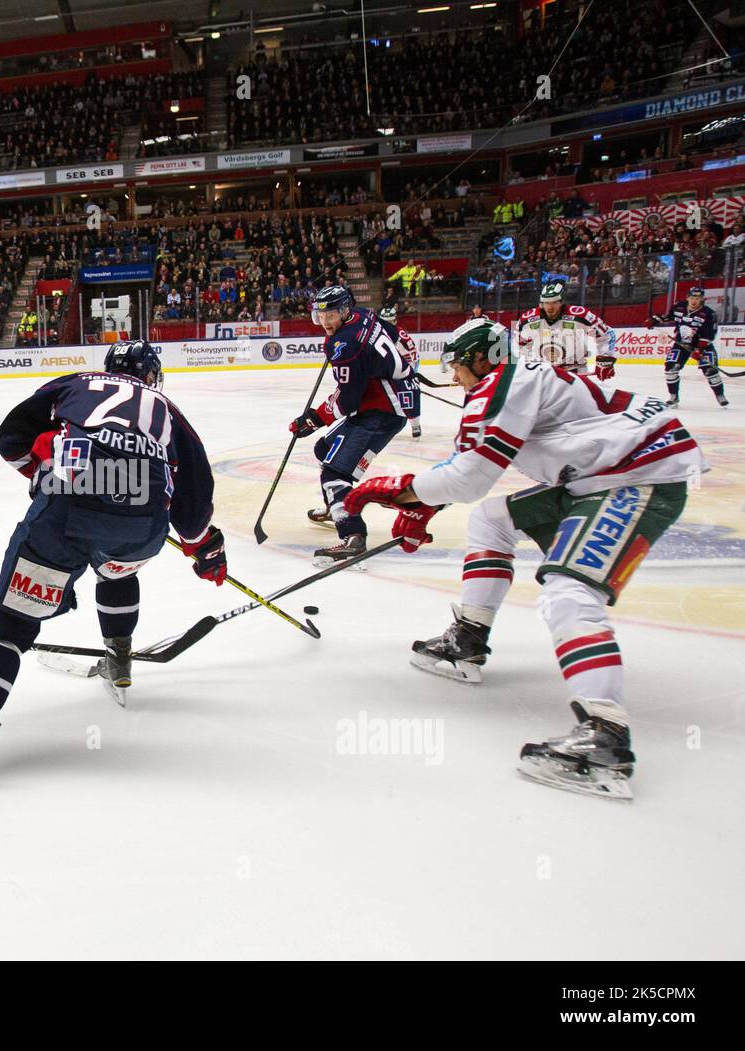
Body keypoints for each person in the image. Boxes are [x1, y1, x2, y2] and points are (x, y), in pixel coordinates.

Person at [345, 319, 706, 800]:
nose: (453, 378)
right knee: (492, 519)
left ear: (481, 358)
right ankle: (468, 638)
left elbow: (468, 478)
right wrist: (423, 503)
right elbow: (470, 474)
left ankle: (604, 738)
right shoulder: (510, 381)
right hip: (601, 475)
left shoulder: (504, 383)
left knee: (570, 591)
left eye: (457, 367)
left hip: (638, 478)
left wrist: (399, 489)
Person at [0, 340, 225, 795]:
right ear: (151, 377)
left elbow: (11, 438)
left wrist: (43, 473)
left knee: (10, 626)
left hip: (62, 514)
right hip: (139, 529)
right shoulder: (169, 410)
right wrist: (204, 549)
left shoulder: (76, 383)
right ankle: (118, 660)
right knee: (118, 573)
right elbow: (194, 499)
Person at [289, 286, 417, 561]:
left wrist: (314, 418)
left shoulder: (344, 343)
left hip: (380, 412)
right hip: (388, 403)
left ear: (345, 311)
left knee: (335, 474)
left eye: (331, 315)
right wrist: (401, 372)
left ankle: (352, 534)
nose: (325, 322)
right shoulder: (363, 316)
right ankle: (337, 504)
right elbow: (395, 339)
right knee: (325, 450)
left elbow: (348, 400)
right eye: (321, 316)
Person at [515, 282, 617, 378]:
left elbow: (607, 334)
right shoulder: (527, 319)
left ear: (562, 301)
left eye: (554, 302)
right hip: (544, 373)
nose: (550, 307)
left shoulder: (580, 315)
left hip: (574, 370)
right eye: (546, 303)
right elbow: (518, 345)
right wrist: (525, 367)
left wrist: (605, 361)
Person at [648, 285, 728, 407]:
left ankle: (720, 395)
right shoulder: (678, 307)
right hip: (681, 344)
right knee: (670, 368)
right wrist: (654, 320)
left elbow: (710, 334)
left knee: (711, 371)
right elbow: (668, 317)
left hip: (702, 346)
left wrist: (699, 350)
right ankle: (673, 397)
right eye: (692, 297)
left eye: (698, 298)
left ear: (702, 299)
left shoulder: (708, 314)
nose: (694, 300)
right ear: (687, 297)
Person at [379, 305, 423, 439]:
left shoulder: (399, 337)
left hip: (404, 369)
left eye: (389, 322)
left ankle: (415, 424)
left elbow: (413, 356)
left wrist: (410, 373)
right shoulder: (379, 334)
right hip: (389, 369)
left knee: (408, 394)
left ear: (394, 321)